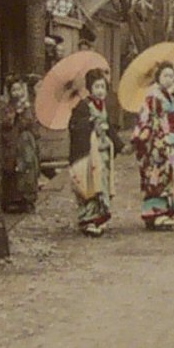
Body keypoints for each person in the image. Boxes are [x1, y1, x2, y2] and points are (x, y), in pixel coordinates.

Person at [133, 61, 174, 229]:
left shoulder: (169, 95)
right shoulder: (153, 96)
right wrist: (159, 136)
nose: (168, 79)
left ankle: (165, 211)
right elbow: (148, 119)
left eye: (171, 76)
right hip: (157, 143)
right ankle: (155, 213)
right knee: (157, 176)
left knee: (169, 176)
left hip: (171, 140)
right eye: (165, 75)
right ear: (158, 77)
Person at [68, 69, 120, 237]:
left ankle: (99, 216)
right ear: (90, 88)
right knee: (90, 185)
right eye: (97, 87)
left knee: (101, 183)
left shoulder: (102, 106)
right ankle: (88, 219)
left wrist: (119, 145)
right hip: (89, 153)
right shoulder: (83, 106)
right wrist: (89, 123)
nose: (100, 91)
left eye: (103, 87)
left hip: (102, 151)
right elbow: (74, 126)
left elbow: (110, 129)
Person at [1, 78, 41, 212]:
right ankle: (12, 200)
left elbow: (33, 126)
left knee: (28, 168)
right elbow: (5, 124)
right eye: (14, 90)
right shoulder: (7, 107)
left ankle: (27, 200)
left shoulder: (28, 107)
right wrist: (14, 114)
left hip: (26, 143)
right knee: (12, 169)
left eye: (19, 89)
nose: (17, 93)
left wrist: (24, 113)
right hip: (12, 143)